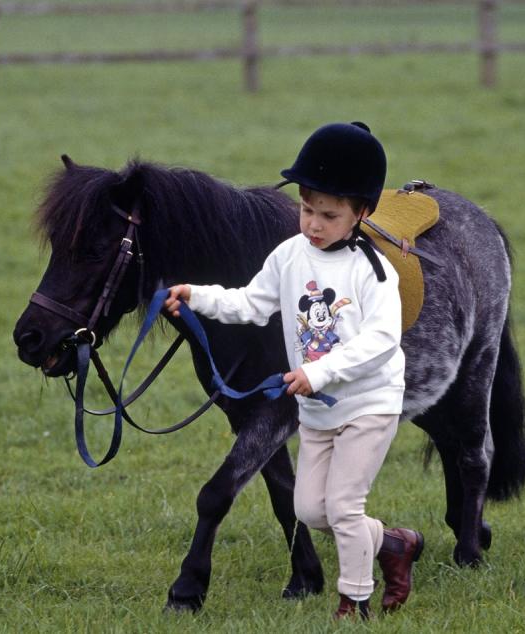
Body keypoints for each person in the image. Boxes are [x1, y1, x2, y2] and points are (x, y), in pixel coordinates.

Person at [164, 122, 423, 620]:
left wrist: (319, 374)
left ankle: (355, 602)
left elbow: (381, 341)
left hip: (369, 403)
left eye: (329, 215)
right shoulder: (288, 255)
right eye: (307, 210)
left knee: (344, 508)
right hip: (318, 412)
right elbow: (250, 303)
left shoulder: (373, 272)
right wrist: (196, 295)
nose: (314, 224)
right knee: (311, 511)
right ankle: (393, 544)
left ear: (361, 214)